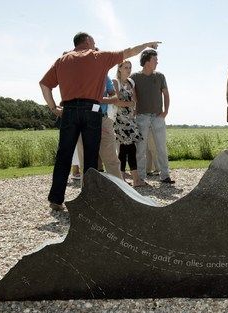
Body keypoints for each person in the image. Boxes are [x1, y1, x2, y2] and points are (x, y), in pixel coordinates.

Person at [40, 32, 159, 210]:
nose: (95, 43)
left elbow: (44, 84)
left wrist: (53, 108)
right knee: (90, 158)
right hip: (92, 111)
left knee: (63, 156)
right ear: (87, 41)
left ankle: (56, 200)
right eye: (93, 40)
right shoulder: (98, 56)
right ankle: (88, 200)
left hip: (69, 111)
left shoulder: (62, 60)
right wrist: (147, 44)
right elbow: (128, 52)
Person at [131, 49, 175, 184]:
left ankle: (165, 176)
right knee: (141, 148)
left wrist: (165, 111)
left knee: (161, 147)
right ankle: (141, 177)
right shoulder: (134, 77)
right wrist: (134, 112)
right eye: (155, 59)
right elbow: (132, 96)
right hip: (141, 117)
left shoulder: (160, 76)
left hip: (158, 116)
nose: (157, 62)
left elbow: (166, 94)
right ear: (147, 61)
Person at [77, 75, 124, 180]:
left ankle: (120, 193)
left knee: (112, 160)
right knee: (85, 162)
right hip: (83, 121)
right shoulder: (78, 74)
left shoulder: (104, 76)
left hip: (103, 120)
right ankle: (88, 193)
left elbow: (115, 97)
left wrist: (99, 99)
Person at [113, 60, 145, 186]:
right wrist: (129, 104)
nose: (128, 69)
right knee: (127, 148)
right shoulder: (115, 82)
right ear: (119, 68)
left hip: (130, 120)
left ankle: (125, 179)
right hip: (120, 120)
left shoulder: (131, 82)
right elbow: (115, 101)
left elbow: (135, 99)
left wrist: (134, 109)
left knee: (128, 149)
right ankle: (133, 179)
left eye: (130, 67)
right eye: (126, 67)